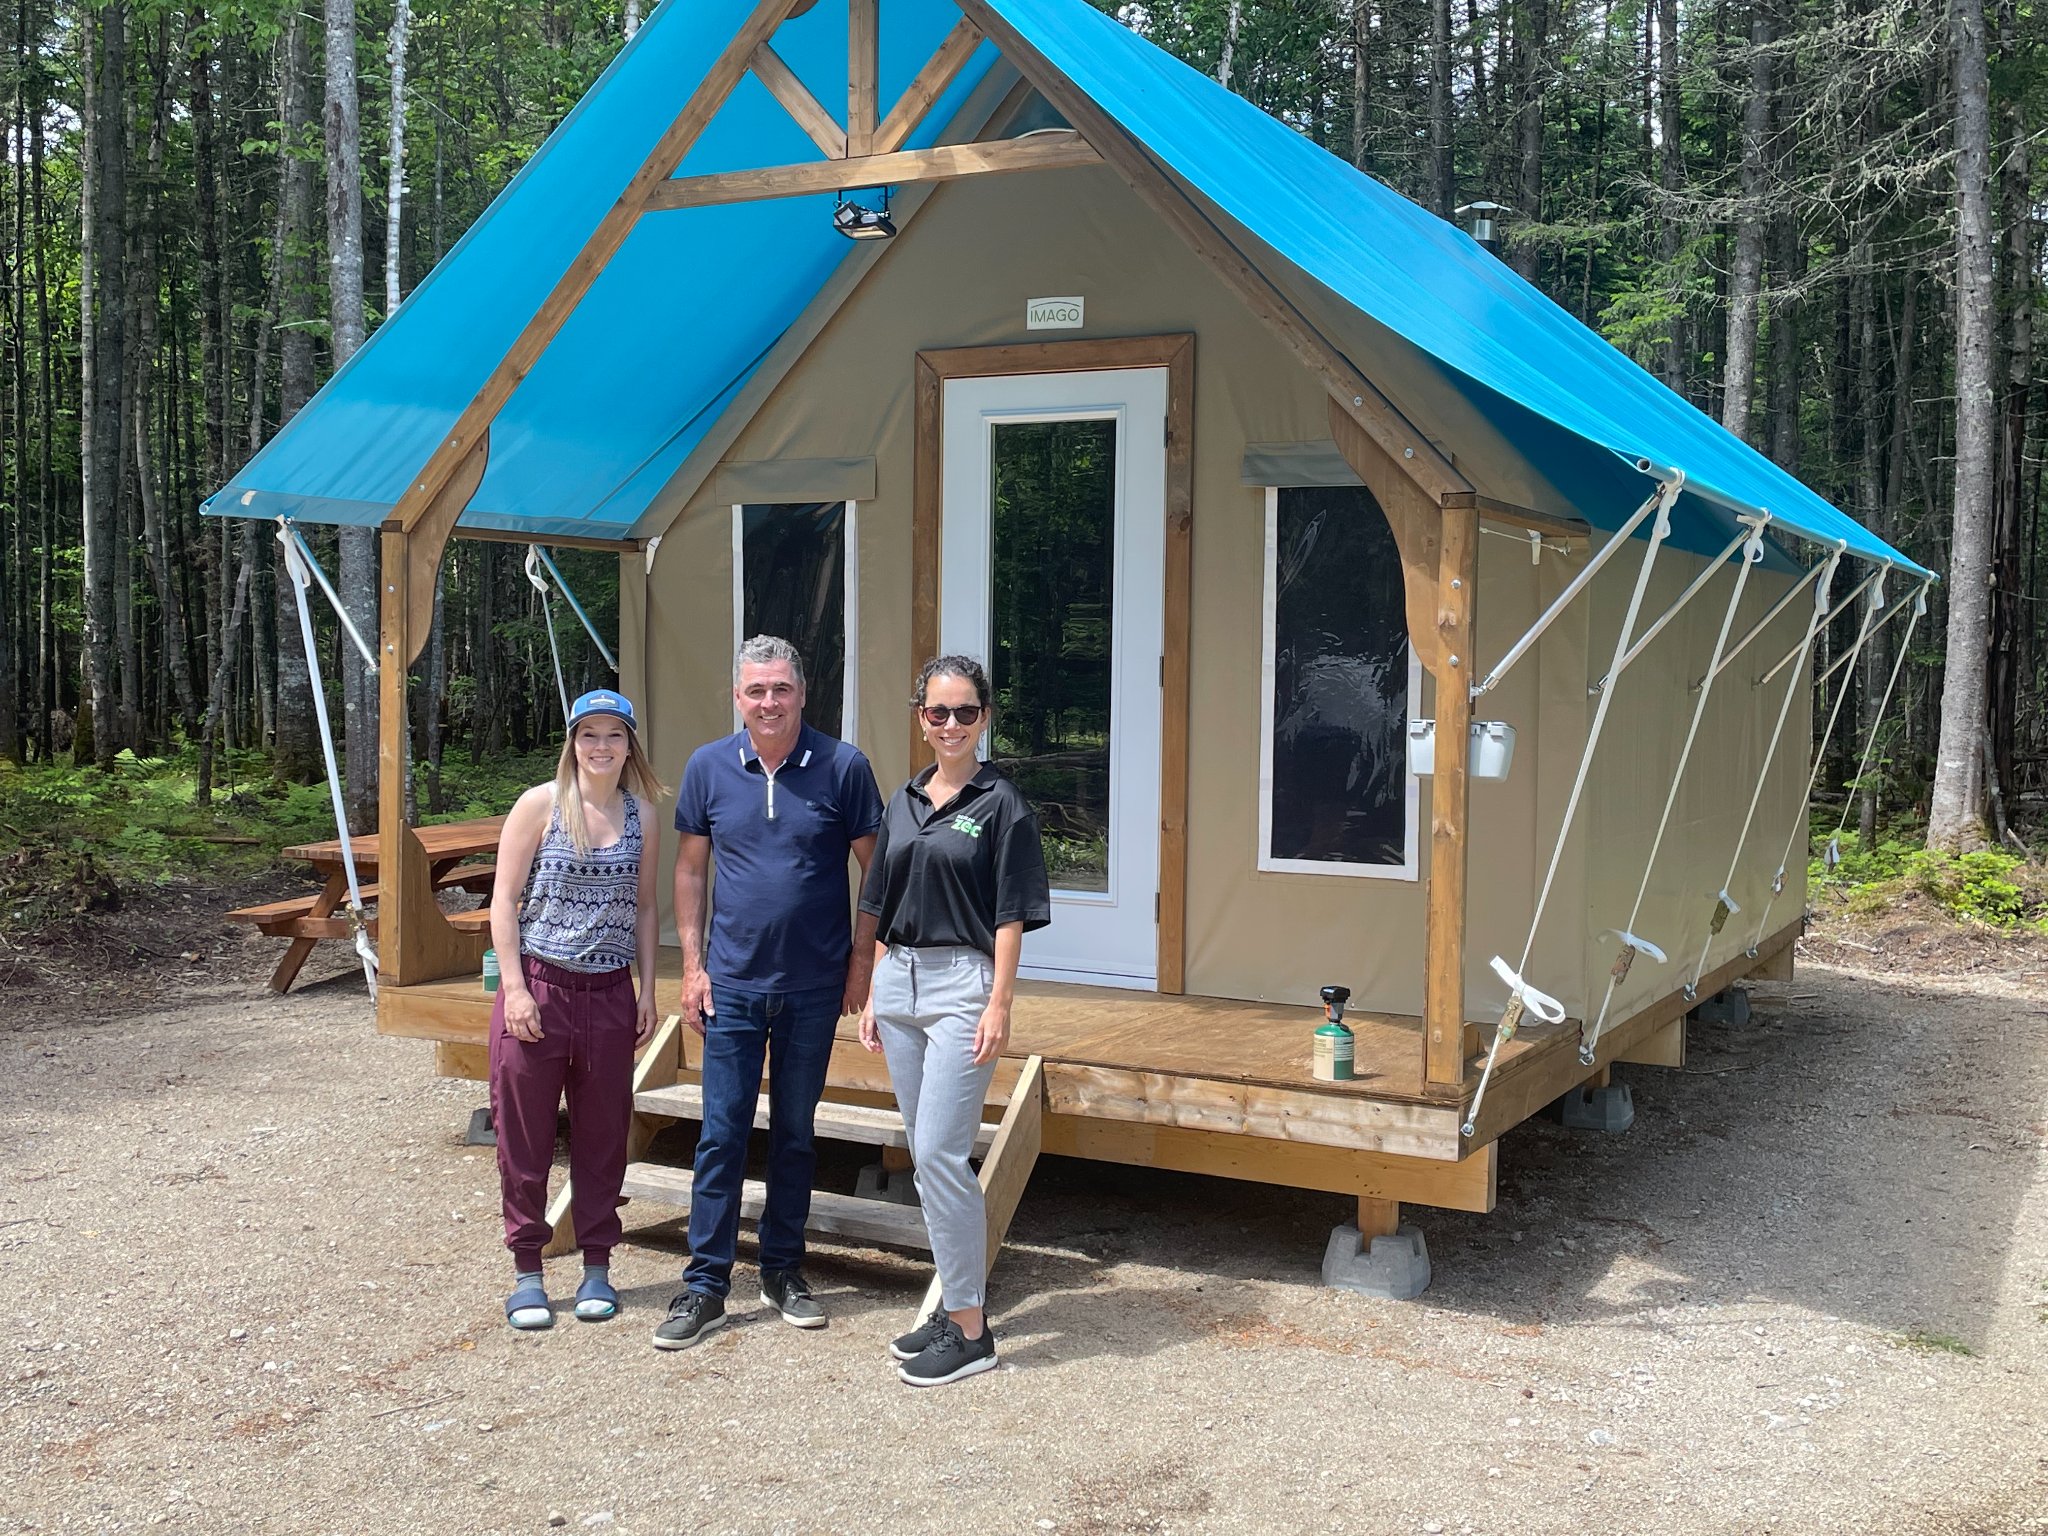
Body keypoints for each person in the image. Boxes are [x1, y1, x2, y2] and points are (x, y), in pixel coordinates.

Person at [653, 636, 884, 1351]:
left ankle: (784, 1270)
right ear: (737, 697)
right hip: (733, 986)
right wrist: (692, 966)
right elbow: (691, 872)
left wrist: (862, 965)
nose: (769, 702)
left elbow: (877, 873)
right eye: (756, 690)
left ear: (803, 692)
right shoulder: (709, 767)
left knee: (792, 1133)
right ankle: (705, 1287)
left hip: (814, 987)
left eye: (780, 688)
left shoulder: (844, 766)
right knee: (721, 1135)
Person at [858, 655, 1051, 1386]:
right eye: (937, 713)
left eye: (964, 712)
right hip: (899, 982)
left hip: (960, 986)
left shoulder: (1002, 802)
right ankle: (953, 1307)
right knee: (925, 1149)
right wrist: (874, 988)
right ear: (921, 718)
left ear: (985, 718)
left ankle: (971, 1330)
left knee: (940, 1154)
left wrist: (999, 1002)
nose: (950, 725)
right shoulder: (903, 799)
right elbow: (881, 895)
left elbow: (1010, 915)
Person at [486, 689, 665, 1330]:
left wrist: (647, 989)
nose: (600, 747)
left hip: (610, 992)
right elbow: (502, 902)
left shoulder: (643, 813)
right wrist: (513, 989)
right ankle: (528, 1270)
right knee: (526, 1136)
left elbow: (646, 907)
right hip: (541, 988)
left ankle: (597, 1266)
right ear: (571, 741)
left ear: (629, 744)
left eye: (613, 735)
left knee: (601, 1136)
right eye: (588, 734)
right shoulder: (541, 805)